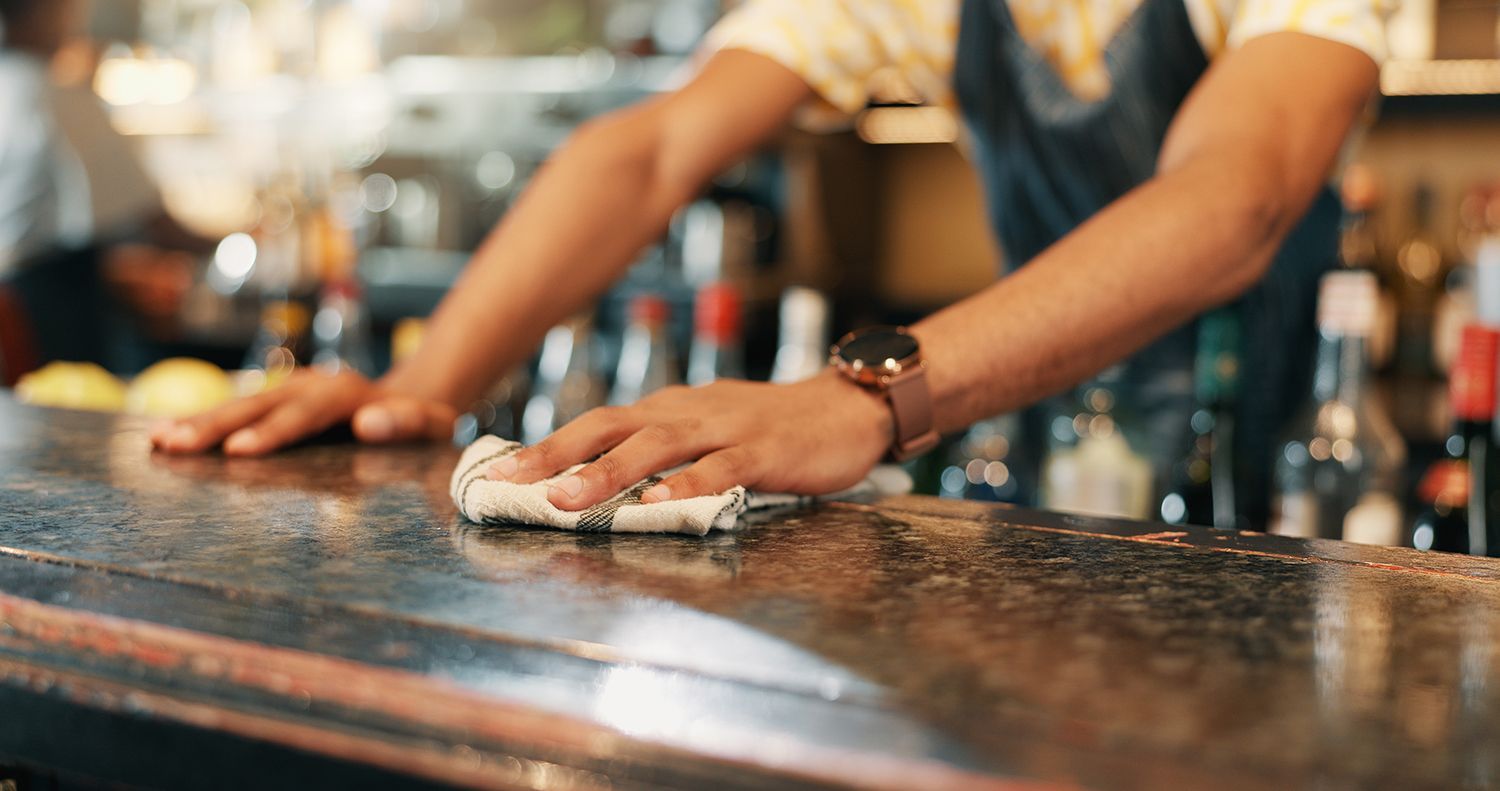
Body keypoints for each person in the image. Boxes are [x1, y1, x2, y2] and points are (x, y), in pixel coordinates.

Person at [155, 0, 1386, 525]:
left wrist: (867, 393)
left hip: (1273, 474)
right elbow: (650, 150)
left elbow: (1238, 199)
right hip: (1059, 433)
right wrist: (420, 382)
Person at [0, 0, 203, 372]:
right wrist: (232, 243)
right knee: (73, 409)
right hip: (44, 309)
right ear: (45, 13)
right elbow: (153, 219)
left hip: (15, 303)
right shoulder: (56, 97)